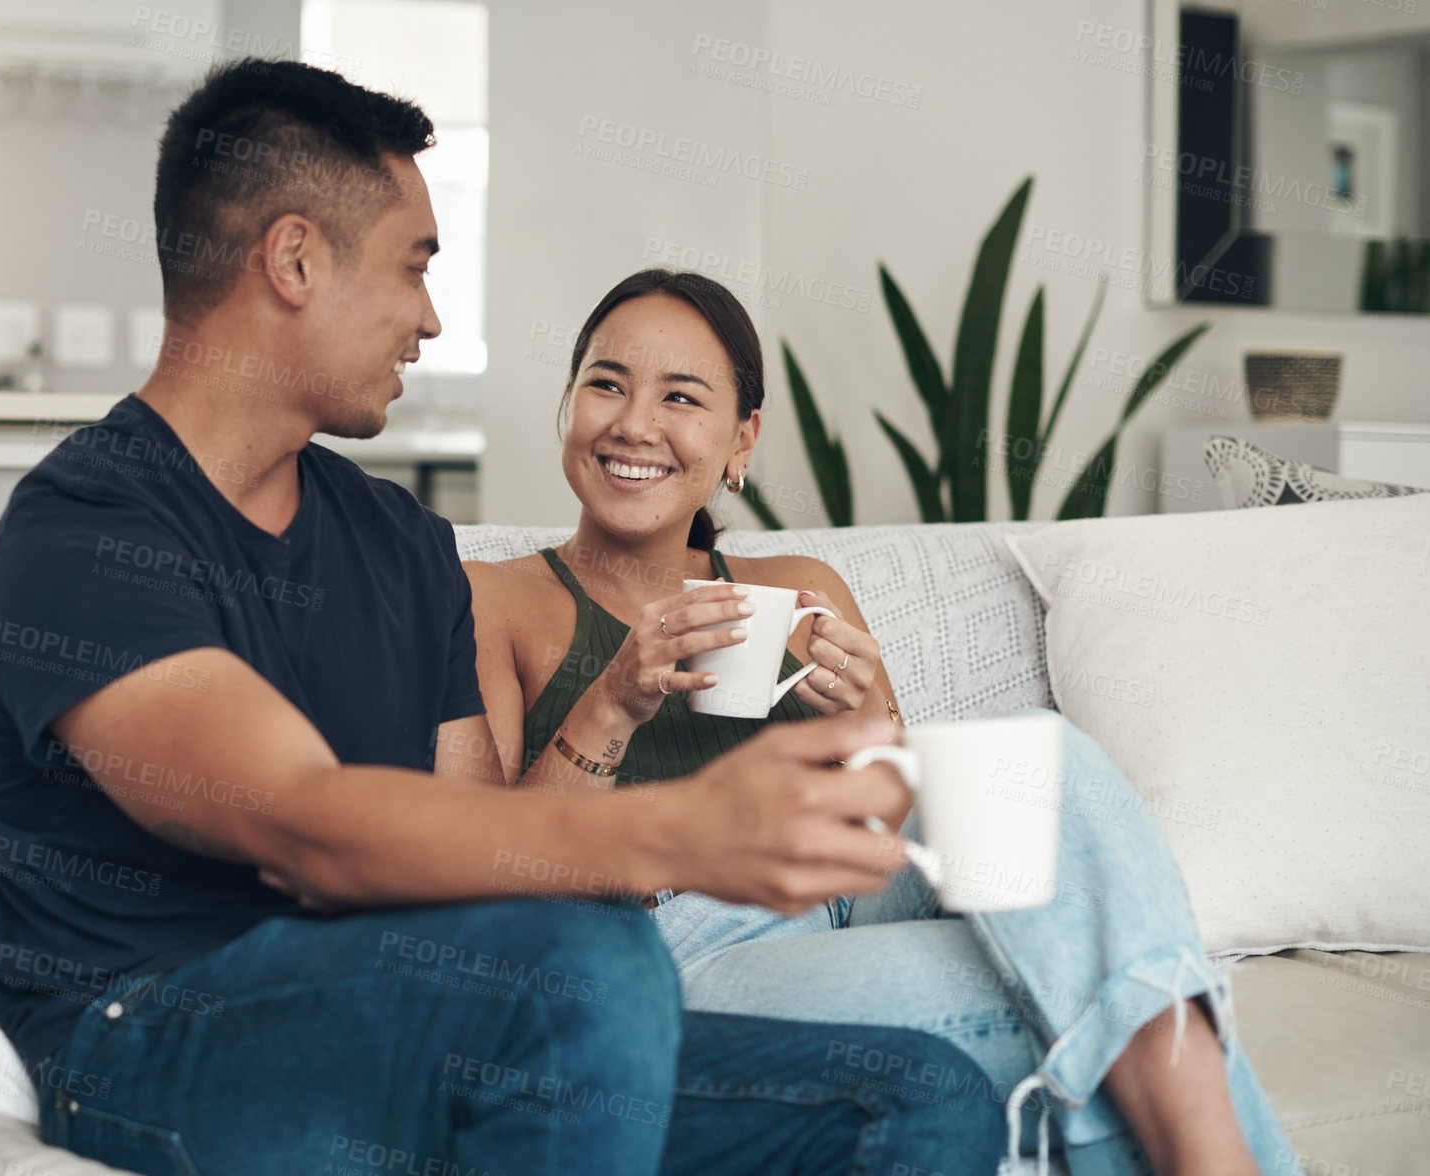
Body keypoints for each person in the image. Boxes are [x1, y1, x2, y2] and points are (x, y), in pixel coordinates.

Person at [0, 60, 1009, 1176]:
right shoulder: (85, 530)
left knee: (919, 1100)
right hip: (161, 1042)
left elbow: (478, 853)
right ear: (295, 260)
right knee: (590, 960)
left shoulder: (398, 544)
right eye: (413, 269)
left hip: (433, 1016)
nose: (430, 319)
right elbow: (297, 820)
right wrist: (681, 828)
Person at [462, 268, 1304, 1176]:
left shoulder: (803, 589)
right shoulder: (495, 602)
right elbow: (487, 883)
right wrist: (614, 701)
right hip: (685, 954)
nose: (634, 423)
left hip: (854, 901)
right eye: (606, 382)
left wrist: (871, 721)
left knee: (1028, 751)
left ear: (741, 440)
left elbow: (911, 830)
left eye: (681, 396)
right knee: (1100, 986)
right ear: (567, 405)